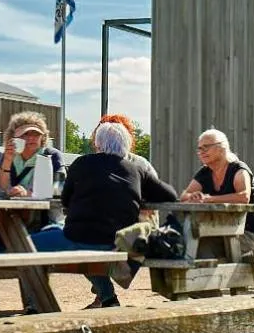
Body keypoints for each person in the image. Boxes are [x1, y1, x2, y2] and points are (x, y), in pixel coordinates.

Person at [36, 121, 180, 308]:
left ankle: (36, 305)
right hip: (117, 243)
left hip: (79, 239)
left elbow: (65, 200)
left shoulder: (81, 163)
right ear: (126, 145)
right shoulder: (136, 169)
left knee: (29, 245)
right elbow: (170, 195)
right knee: (89, 248)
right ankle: (108, 299)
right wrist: (139, 196)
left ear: (98, 144)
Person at [0, 112, 66, 310]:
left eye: (35, 134)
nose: (31, 138)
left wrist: (29, 193)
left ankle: (34, 303)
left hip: (45, 220)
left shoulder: (51, 156)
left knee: (26, 245)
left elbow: (60, 188)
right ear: (14, 138)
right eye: (25, 134)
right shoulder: (9, 157)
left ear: (43, 137)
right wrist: (8, 161)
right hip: (13, 219)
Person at [180, 128, 254, 257]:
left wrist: (209, 199)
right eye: (199, 149)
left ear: (222, 147)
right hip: (219, 232)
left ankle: (193, 268)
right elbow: (184, 196)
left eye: (206, 147)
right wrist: (193, 196)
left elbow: (243, 197)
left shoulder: (239, 170)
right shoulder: (204, 173)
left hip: (249, 235)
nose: (201, 152)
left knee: (197, 246)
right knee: (186, 241)